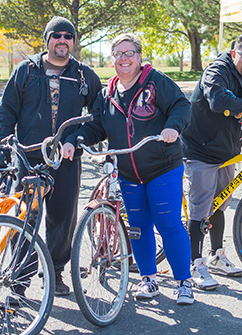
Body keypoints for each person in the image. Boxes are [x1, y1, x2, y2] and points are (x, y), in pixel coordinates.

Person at [61, 33, 194, 304]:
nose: (124, 58)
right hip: (129, 172)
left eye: (130, 53)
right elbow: (97, 126)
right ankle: (148, 280)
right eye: (119, 54)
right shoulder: (106, 94)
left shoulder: (156, 82)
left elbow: (182, 106)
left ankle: (184, 282)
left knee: (168, 224)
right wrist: (78, 139)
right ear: (112, 60)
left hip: (162, 167)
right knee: (138, 227)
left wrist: (172, 127)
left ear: (140, 56)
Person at [0, 16, 102, 297]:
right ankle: (20, 277)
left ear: (73, 42)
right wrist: (3, 146)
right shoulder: (26, 71)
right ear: (47, 39)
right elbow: (6, 111)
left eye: (68, 36)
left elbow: (99, 117)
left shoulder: (84, 75)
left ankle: (54, 271)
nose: (63, 40)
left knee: (63, 218)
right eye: (57, 35)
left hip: (66, 159)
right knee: (23, 219)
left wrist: (76, 139)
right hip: (30, 157)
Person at [181, 32, 242, 289]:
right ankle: (194, 264)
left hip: (228, 150)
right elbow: (218, 101)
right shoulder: (216, 70)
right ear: (234, 54)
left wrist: (241, 105)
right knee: (200, 206)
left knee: (220, 203)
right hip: (199, 148)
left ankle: (217, 255)